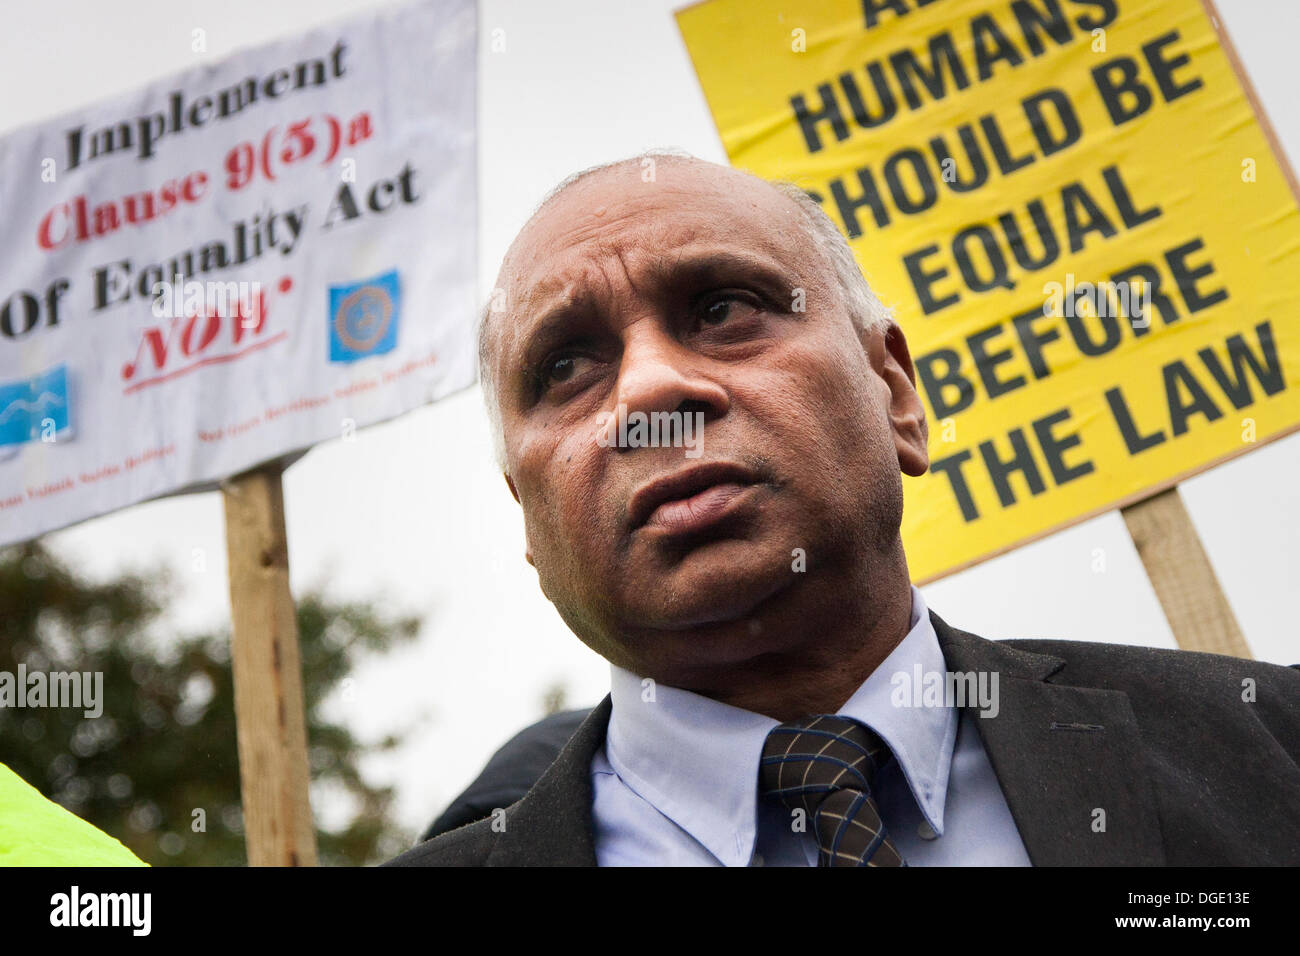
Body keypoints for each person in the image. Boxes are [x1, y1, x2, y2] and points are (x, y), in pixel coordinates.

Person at [387, 153, 1300, 867]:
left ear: (896, 391)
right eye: (565, 367)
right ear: (528, 520)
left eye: (722, 308)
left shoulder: (1270, 751)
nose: (652, 391)